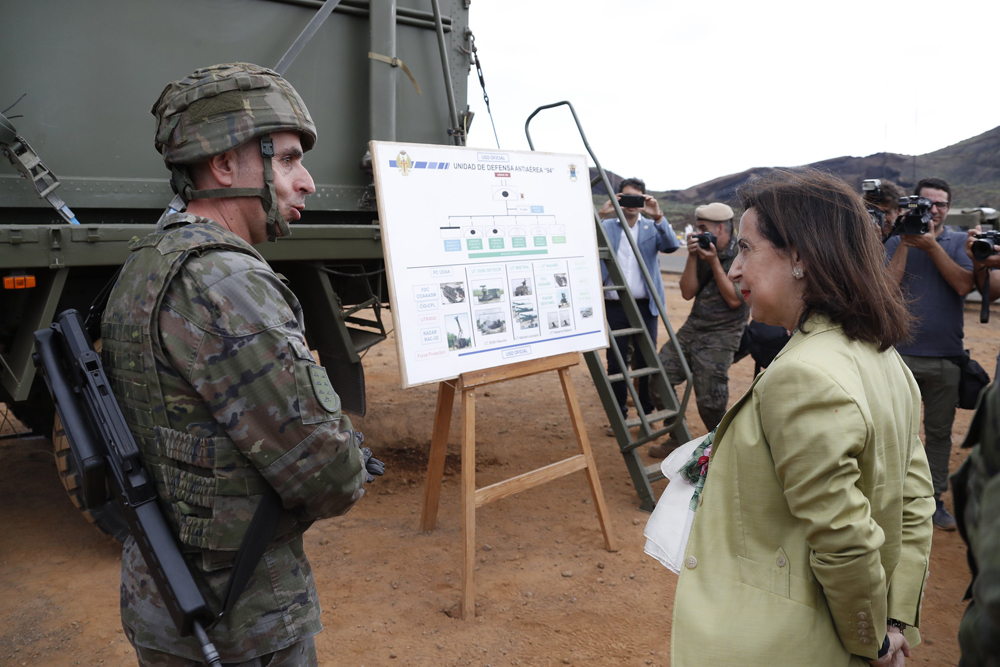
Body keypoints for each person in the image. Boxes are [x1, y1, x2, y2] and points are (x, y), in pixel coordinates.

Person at [102, 63, 379, 666]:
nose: (306, 182)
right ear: (224, 165)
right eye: (285, 159)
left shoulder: (148, 259)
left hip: (163, 598)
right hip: (242, 618)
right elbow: (331, 477)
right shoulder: (226, 281)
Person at [670, 169, 934, 667]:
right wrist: (893, 620)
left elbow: (843, 536)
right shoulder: (884, 357)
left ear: (799, 257)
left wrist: (870, 638)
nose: (738, 268)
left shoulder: (803, 375)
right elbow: (914, 499)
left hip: (785, 643)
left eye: (746, 248)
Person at [886, 177, 975, 531]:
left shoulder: (957, 241)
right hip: (898, 355)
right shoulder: (894, 239)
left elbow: (964, 285)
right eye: (926, 204)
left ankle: (934, 499)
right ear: (913, 205)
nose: (933, 211)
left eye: (940, 205)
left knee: (939, 434)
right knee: (893, 432)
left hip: (945, 356)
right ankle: (892, 497)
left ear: (948, 209)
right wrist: (907, 243)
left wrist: (932, 246)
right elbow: (886, 291)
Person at [651, 202, 749, 457]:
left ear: (720, 228)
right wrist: (694, 257)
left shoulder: (742, 254)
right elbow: (686, 292)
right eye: (697, 228)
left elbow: (735, 299)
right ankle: (677, 436)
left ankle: (723, 450)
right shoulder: (703, 249)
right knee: (658, 377)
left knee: (710, 400)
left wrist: (715, 262)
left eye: (703, 228)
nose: (698, 233)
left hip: (723, 333)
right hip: (694, 327)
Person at [598, 177, 680, 434]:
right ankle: (619, 417)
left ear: (644, 200)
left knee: (646, 362)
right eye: (625, 198)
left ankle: (647, 415)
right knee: (616, 363)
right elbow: (585, 241)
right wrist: (601, 215)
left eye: (636, 198)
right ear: (618, 199)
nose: (631, 204)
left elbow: (671, 245)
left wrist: (658, 217)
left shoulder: (650, 227)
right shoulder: (608, 225)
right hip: (614, 305)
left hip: (645, 308)